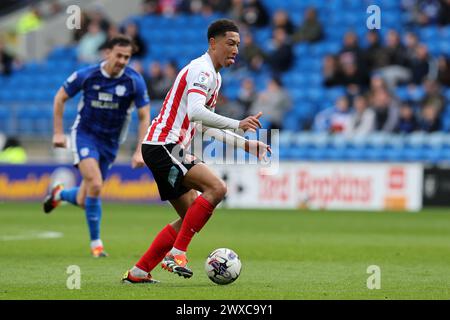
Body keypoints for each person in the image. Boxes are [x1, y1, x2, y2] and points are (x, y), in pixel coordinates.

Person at [121, 19, 270, 284]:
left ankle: (139, 272)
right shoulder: (203, 71)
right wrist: (238, 123)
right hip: (164, 145)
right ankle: (177, 254)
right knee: (217, 189)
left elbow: (200, 124)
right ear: (213, 43)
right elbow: (195, 112)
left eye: (238, 44)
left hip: (168, 147)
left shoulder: (215, 76)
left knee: (190, 215)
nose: (235, 49)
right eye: (230, 43)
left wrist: (244, 143)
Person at [42, 35, 151, 258]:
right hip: (85, 135)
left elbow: (143, 116)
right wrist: (58, 133)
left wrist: (140, 149)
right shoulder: (87, 75)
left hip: (110, 143)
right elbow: (60, 98)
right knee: (96, 183)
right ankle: (96, 245)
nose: (122, 61)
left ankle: (60, 194)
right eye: (118, 55)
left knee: (85, 198)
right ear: (107, 53)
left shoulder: (134, 81)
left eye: (127, 57)